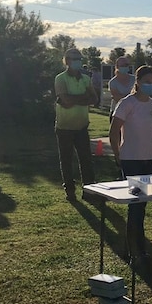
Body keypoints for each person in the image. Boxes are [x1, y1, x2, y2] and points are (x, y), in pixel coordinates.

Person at [109, 65, 152, 264]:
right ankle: (134, 252)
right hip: (130, 160)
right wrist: (117, 154)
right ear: (137, 82)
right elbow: (114, 131)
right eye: (147, 81)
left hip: (147, 160)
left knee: (142, 207)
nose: (151, 85)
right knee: (135, 207)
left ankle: (139, 249)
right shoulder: (126, 103)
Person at [54, 48, 97, 200]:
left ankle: (89, 191)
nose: (77, 61)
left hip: (82, 126)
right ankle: (70, 191)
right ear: (67, 61)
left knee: (86, 159)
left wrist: (74, 99)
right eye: (73, 58)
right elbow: (65, 101)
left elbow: (94, 99)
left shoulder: (86, 79)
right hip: (64, 127)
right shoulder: (60, 78)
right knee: (66, 160)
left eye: (79, 58)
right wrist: (83, 97)